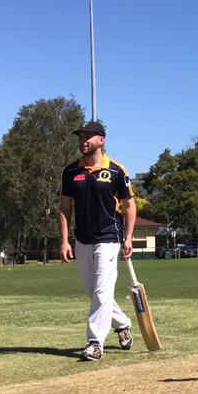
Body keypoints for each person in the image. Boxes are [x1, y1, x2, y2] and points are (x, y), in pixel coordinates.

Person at [58, 121, 137, 361]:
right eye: (80, 136)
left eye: (88, 136)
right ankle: (122, 324)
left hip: (109, 238)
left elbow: (129, 205)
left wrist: (129, 237)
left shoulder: (116, 170)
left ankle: (94, 342)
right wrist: (64, 240)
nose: (83, 140)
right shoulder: (71, 171)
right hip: (82, 239)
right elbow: (64, 208)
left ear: (101, 140)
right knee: (95, 293)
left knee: (102, 291)